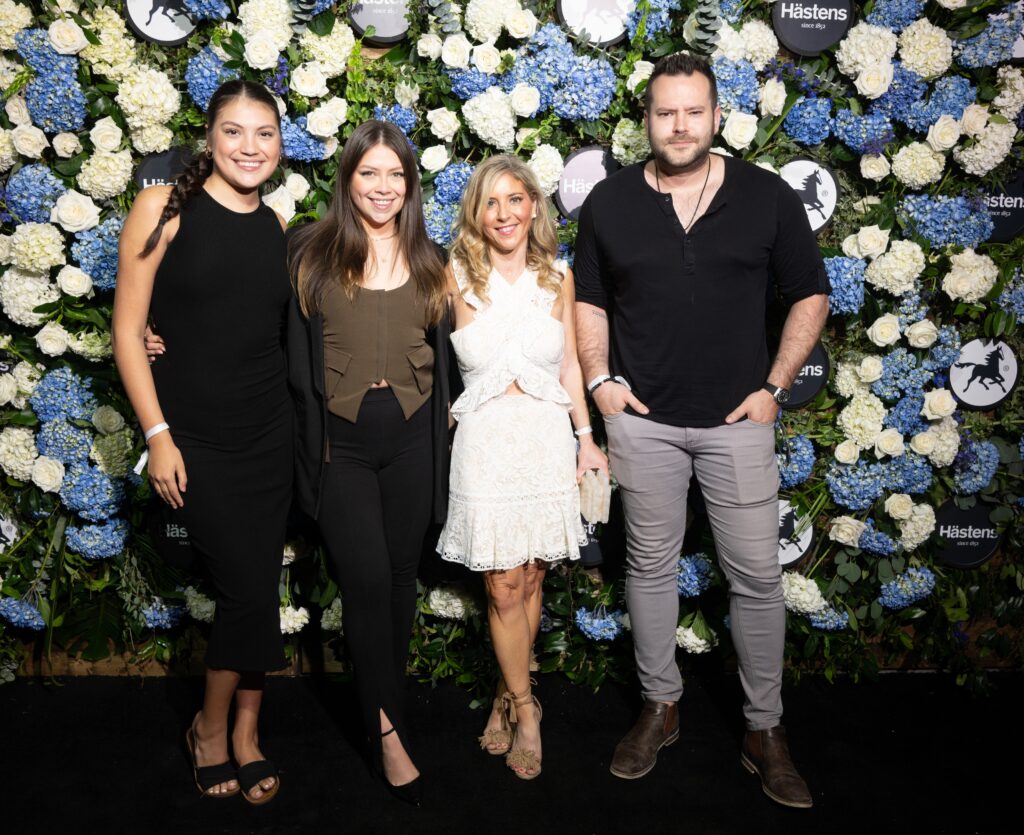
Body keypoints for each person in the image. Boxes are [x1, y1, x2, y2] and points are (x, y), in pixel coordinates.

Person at [573, 52, 829, 809]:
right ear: (647, 120)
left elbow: (809, 292)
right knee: (647, 569)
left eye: (693, 111)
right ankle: (660, 706)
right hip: (643, 425)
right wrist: (600, 383)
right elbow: (588, 298)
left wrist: (774, 388)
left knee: (756, 576)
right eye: (664, 112)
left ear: (717, 117)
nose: (679, 125)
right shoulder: (611, 202)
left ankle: (764, 729)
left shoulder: (767, 197)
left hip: (736, 424)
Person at [113, 80, 292, 804]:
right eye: (234, 133)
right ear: (209, 138)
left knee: (259, 584)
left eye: (264, 134)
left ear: (280, 145)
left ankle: (246, 732)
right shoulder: (163, 208)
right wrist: (158, 436)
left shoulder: (276, 225)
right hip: (195, 436)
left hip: (269, 435)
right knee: (246, 588)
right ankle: (210, 730)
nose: (249, 148)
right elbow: (127, 330)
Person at [286, 120, 451, 807]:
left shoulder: (432, 259)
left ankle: (392, 706)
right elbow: (255, 332)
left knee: (401, 578)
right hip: (343, 446)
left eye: (395, 175)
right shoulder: (309, 254)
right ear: (347, 178)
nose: (382, 187)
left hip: (413, 440)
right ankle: (384, 730)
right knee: (365, 581)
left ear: (409, 185)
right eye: (368, 173)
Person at [436, 155, 608, 781]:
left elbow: (568, 370)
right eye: (490, 203)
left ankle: (508, 700)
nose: (504, 214)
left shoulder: (557, 277)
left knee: (531, 580)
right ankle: (526, 707)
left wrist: (586, 439)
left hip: (543, 440)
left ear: (534, 206)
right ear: (475, 215)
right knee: (501, 584)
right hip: (483, 444)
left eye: (515, 200)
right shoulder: (452, 276)